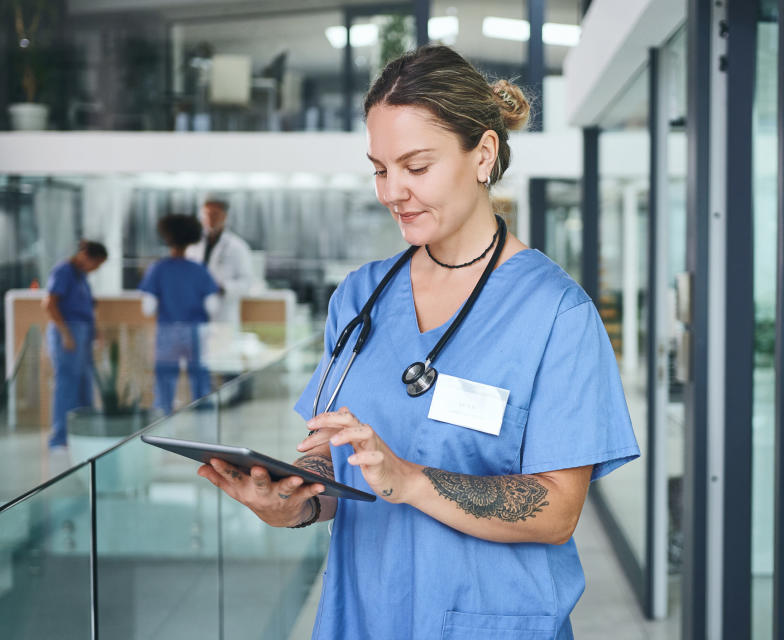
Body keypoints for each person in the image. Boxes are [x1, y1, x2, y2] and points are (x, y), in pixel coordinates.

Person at [197, 45, 640, 639]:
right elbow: (334, 463)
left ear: (482, 155)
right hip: (366, 615)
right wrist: (292, 499)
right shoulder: (360, 298)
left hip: (492, 623)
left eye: (416, 166)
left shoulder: (557, 313)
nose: (391, 192)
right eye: (381, 168)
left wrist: (410, 480)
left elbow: (558, 510)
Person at [139, 214, 220, 414]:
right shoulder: (199, 270)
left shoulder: (157, 269)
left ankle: (163, 416)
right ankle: (203, 418)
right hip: (196, 331)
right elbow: (213, 307)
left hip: (167, 330)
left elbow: (147, 308)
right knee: (200, 377)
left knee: (165, 378)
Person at [42, 240, 108, 448]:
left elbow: (87, 307)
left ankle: (82, 436)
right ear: (86, 256)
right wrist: (65, 334)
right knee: (67, 386)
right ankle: (59, 439)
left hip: (83, 333)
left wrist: (95, 331)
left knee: (84, 386)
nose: (96, 269)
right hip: (68, 333)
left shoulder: (81, 277)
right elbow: (49, 304)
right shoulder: (64, 271)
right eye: (96, 264)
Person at [185, 196, 253, 328]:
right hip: (194, 313)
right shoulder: (192, 244)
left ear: (224, 216)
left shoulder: (237, 246)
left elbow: (247, 282)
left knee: (221, 347)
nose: (210, 218)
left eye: (215, 214)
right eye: (206, 214)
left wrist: (223, 288)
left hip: (222, 315)